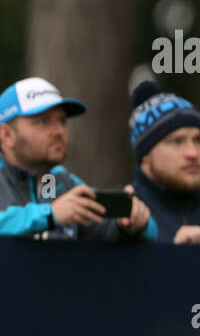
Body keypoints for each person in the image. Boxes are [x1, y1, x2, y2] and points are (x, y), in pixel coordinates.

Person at [0, 77, 156, 243]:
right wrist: (50, 215)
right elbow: (49, 214)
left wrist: (133, 222)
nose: (59, 131)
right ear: (7, 135)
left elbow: (152, 232)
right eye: (43, 121)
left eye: (62, 121)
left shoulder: (57, 180)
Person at [127, 80, 200, 245]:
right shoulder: (126, 219)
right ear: (145, 154)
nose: (193, 153)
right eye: (177, 141)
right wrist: (177, 258)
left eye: (197, 140)